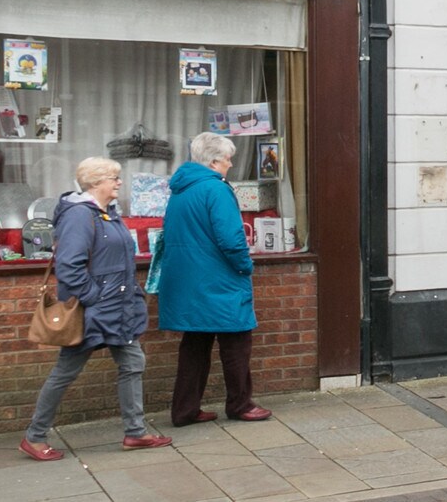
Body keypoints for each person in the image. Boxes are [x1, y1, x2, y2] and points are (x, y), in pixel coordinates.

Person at [20, 158, 173, 460]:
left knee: (133, 363)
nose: (119, 183)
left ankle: (136, 432)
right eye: (114, 178)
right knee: (65, 372)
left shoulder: (107, 214)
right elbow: (69, 266)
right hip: (95, 312)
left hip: (119, 309)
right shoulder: (80, 216)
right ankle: (34, 437)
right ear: (95, 183)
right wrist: (96, 298)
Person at [158, 132, 269, 425]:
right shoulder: (216, 190)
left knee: (194, 346)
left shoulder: (180, 190)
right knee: (236, 343)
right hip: (219, 280)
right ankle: (240, 405)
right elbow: (231, 238)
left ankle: (184, 410)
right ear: (215, 160)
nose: (230, 165)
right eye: (228, 159)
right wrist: (245, 267)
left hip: (188, 280)